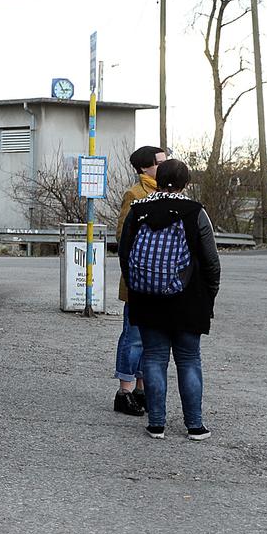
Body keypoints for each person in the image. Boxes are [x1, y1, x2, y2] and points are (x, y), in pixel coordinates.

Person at [118, 158, 219, 440]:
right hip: (189, 299)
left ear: (158, 179)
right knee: (188, 360)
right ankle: (195, 426)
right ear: (186, 182)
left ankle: (156, 424)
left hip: (147, 298)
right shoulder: (195, 212)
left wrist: (138, 287)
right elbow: (211, 261)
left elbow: (125, 255)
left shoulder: (138, 211)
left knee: (153, 358)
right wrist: (208, 296)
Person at [112, 145, 167, 416]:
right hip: (137, 279)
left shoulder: (167, 193)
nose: (163, 167)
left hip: (159, 284)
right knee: (133, 337)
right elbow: (123, 237)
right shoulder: (134, 195)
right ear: (144, 167)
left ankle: (141, 389)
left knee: (151, 338)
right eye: (159, 163)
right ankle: (124, 391)